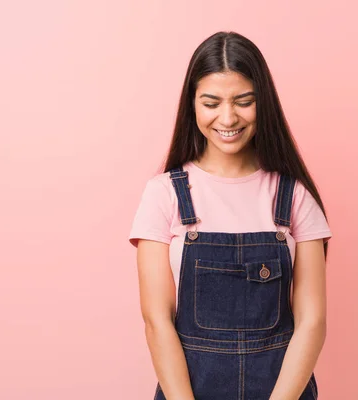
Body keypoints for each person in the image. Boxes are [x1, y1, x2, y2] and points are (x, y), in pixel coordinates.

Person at [128, 31, 332, 400]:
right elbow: (157, 322)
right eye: (211, 102)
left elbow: (312, 322)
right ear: (192, 105)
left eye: (244, 101)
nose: (228, 117)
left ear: (263, 103)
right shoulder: (164, 195)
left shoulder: (294, 196)